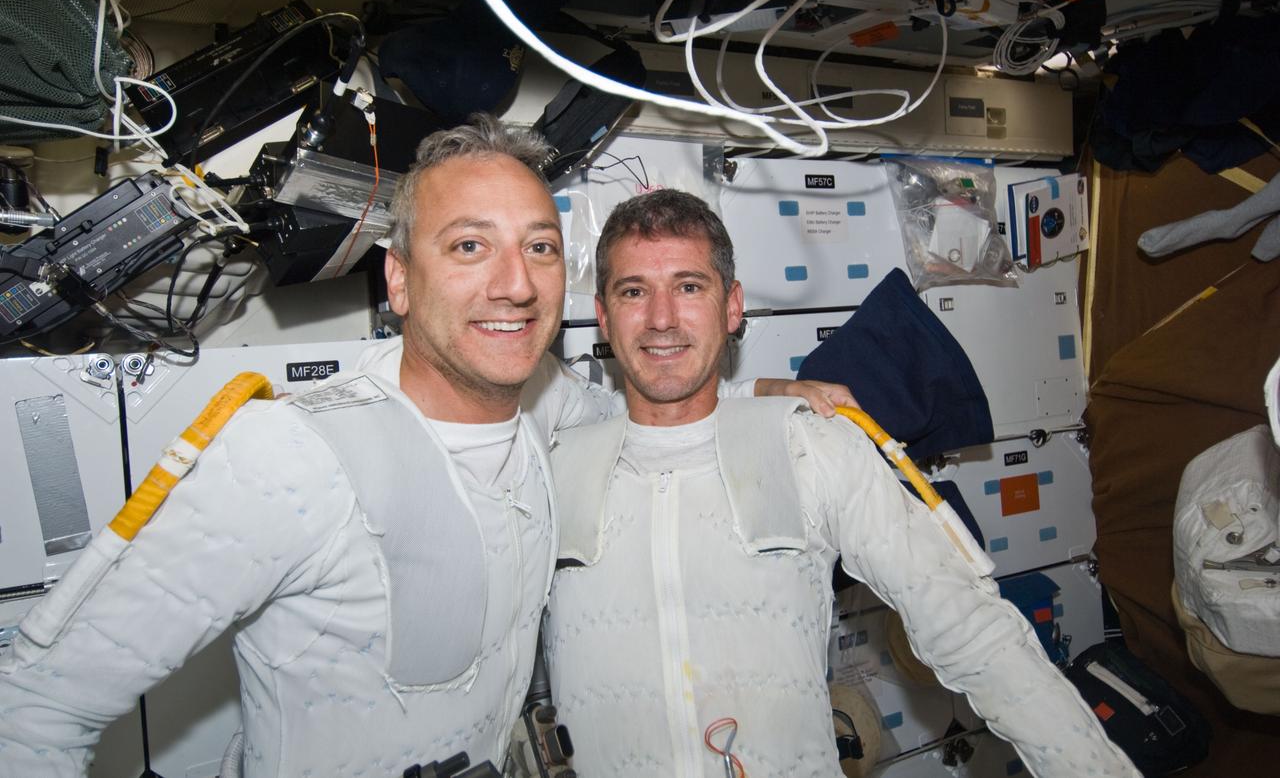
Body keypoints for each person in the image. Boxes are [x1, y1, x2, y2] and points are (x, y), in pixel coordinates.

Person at [0, 116, 849, 778]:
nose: (514, 284)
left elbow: (646, 405)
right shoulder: (290, 457)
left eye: (539, 248)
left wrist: (758, 397)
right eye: (470, 246)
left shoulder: (546, 409)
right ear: (399, 280)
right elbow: (33, 705)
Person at [543, 189, 1141, 778]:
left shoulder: (811, 446)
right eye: (633, 291)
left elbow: (969, 626)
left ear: (732, 307)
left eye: (689, 287)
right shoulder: (552, 463)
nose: (661, 318)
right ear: (604, 316)